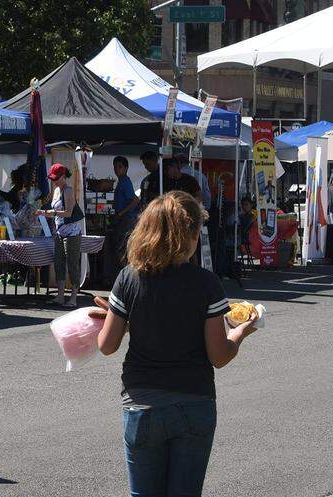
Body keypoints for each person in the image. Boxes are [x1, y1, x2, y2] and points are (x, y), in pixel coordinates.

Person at [96, 191, 256, 497]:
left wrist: (124, 321)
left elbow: (107, 345)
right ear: (191, 235)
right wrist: (241, 332)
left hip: (141, 403)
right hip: (194, 401)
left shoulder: (128, 279)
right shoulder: (207, 283)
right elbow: (219, 356)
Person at [36, 163, 84, 307]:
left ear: (63, 177)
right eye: (52, 178)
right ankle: (60, 296)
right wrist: (43, 212)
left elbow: (68, 213)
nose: (54, 181)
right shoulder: (56, 190)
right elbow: (54, 212)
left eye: (56, 178)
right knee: (58, 263)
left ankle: (73, 298)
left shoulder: (68, 191)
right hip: (59, 231)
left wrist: (52, 213)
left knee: (72, 264)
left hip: (72, 233)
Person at [106, 156, 139, 285]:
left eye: (119, 167)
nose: (116, 169)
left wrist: (121, 213)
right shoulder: (121, 182)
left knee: (122, 250)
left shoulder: (125, 181)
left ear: (126, 168)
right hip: (121, 219)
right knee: (120, 250)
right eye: (115, 167)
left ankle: (129, 279)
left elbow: (134, 200)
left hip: (126, 220)